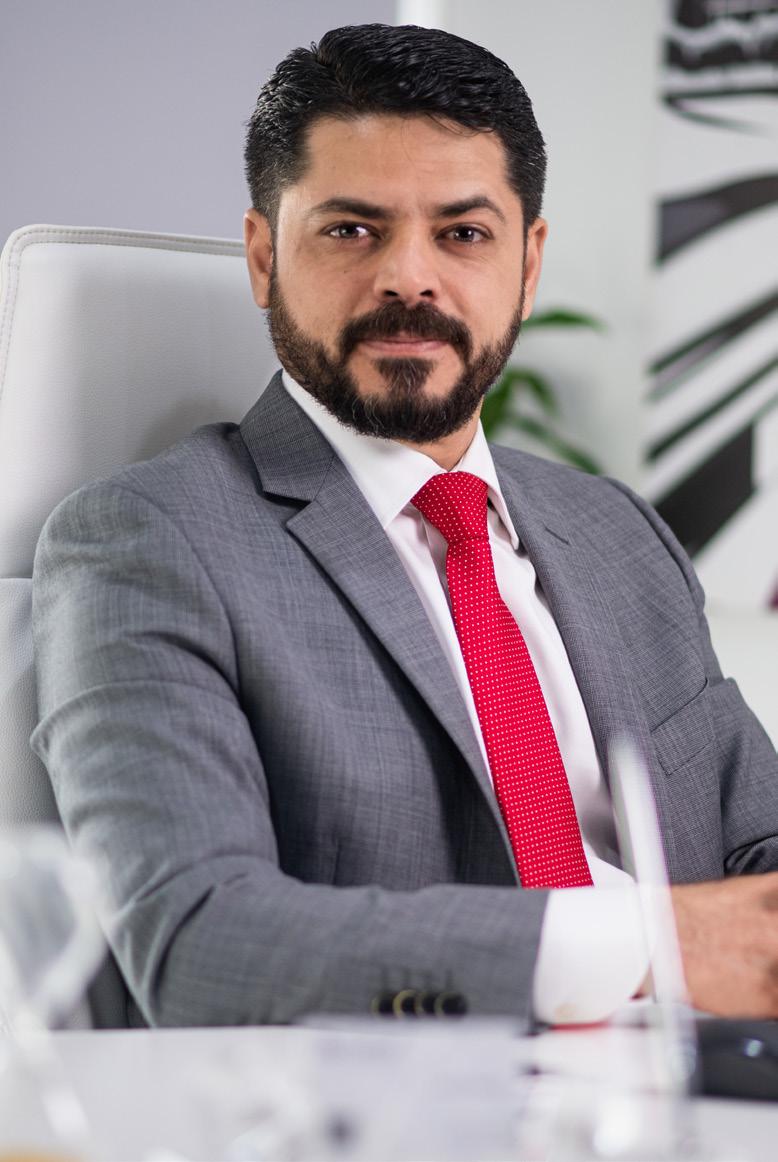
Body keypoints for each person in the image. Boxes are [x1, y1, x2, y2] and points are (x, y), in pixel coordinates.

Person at [31, 24, 778, 1029]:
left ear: (528, 265)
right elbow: (199, 943)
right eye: (351, 230)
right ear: (263, 256)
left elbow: (755, 847)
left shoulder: (620, 535)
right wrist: (641, 945)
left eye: (463, 234)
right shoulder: (147, 543)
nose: (409, 278)